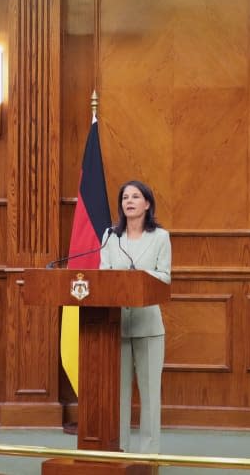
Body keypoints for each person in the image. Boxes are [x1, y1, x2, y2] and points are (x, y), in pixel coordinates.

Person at [99, 180, 171, 454]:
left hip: (148, 325)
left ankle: (148, 455)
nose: (129, 201)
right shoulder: (110, 236)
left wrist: (136, 279)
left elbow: (164, 277)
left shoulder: (161, 237)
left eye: (135, 196)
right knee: (119, 395)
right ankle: (121, 451)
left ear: (147, 204)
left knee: (150, 395)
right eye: (125, 197)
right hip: (115, 326)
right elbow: (102, 273)